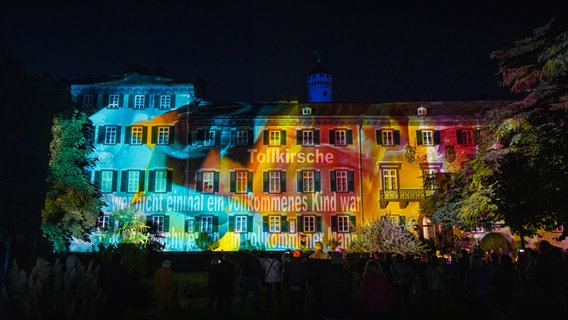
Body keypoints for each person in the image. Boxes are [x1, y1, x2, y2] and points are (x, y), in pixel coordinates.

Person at [320, 251, 353, 320]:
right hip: (343, 306)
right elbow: (350, 288)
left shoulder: (326, 273)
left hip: (329, 306)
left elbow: (321, 288)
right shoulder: (347, 274)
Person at [99, 252, 129, 320]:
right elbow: (126, 283)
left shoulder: (106, 268)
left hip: (108, 295)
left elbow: (101, 280)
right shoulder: (122, 270)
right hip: (119, 296)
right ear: (120, 260)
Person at [307, 241, 331, 317]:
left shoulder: (310, 256)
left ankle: (315, 310)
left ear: (315, 247)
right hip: (324, 278)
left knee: (315, 294)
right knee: (323, 295)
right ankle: (323, 309)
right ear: (322, 247)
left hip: (314, 279)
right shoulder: (327, 256)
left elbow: (309, 270)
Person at [285, 250, 309, 318]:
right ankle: (300, 315)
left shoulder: (289, 264)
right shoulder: (303, 265)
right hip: (301, 286)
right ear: (300, 256)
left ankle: (291, 315)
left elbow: (287, 275)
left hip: (291, 285)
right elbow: (305, 276)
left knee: (292, 302)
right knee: (301, 303)